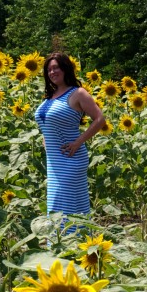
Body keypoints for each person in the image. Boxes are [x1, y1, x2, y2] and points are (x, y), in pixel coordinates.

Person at [35, 53, 105, 216]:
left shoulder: (77, 93)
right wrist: (46, 139)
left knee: (63, 207)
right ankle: (67, 241)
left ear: (66, 68)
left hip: (70, 159)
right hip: (54, 162)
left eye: (56, 68)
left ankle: (70, 240)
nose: (52, 72)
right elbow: (47, 122)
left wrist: (78, 142)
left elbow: (100, 119)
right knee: (59, 206)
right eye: (49, 70)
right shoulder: (50, 97)